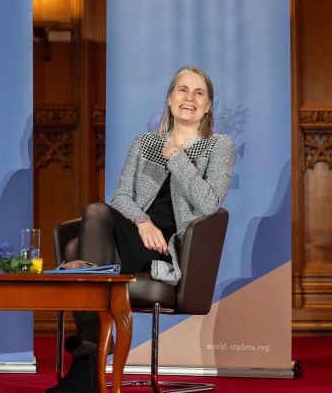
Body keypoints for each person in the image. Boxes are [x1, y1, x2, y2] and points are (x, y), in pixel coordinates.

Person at [48, 65, 235, 393]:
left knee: (76, 250)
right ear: (169, 98)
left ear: (207, 106)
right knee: (89, 223)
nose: (189, 97)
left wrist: (177, 159)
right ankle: (91, 360)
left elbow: (208, 204)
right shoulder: (145, 143)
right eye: (182, 90)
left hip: (170, 247)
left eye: (198, 92)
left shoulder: (218, 146)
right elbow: (120, 196)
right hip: (135, 235)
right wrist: (143, 221)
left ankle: (88, 361)